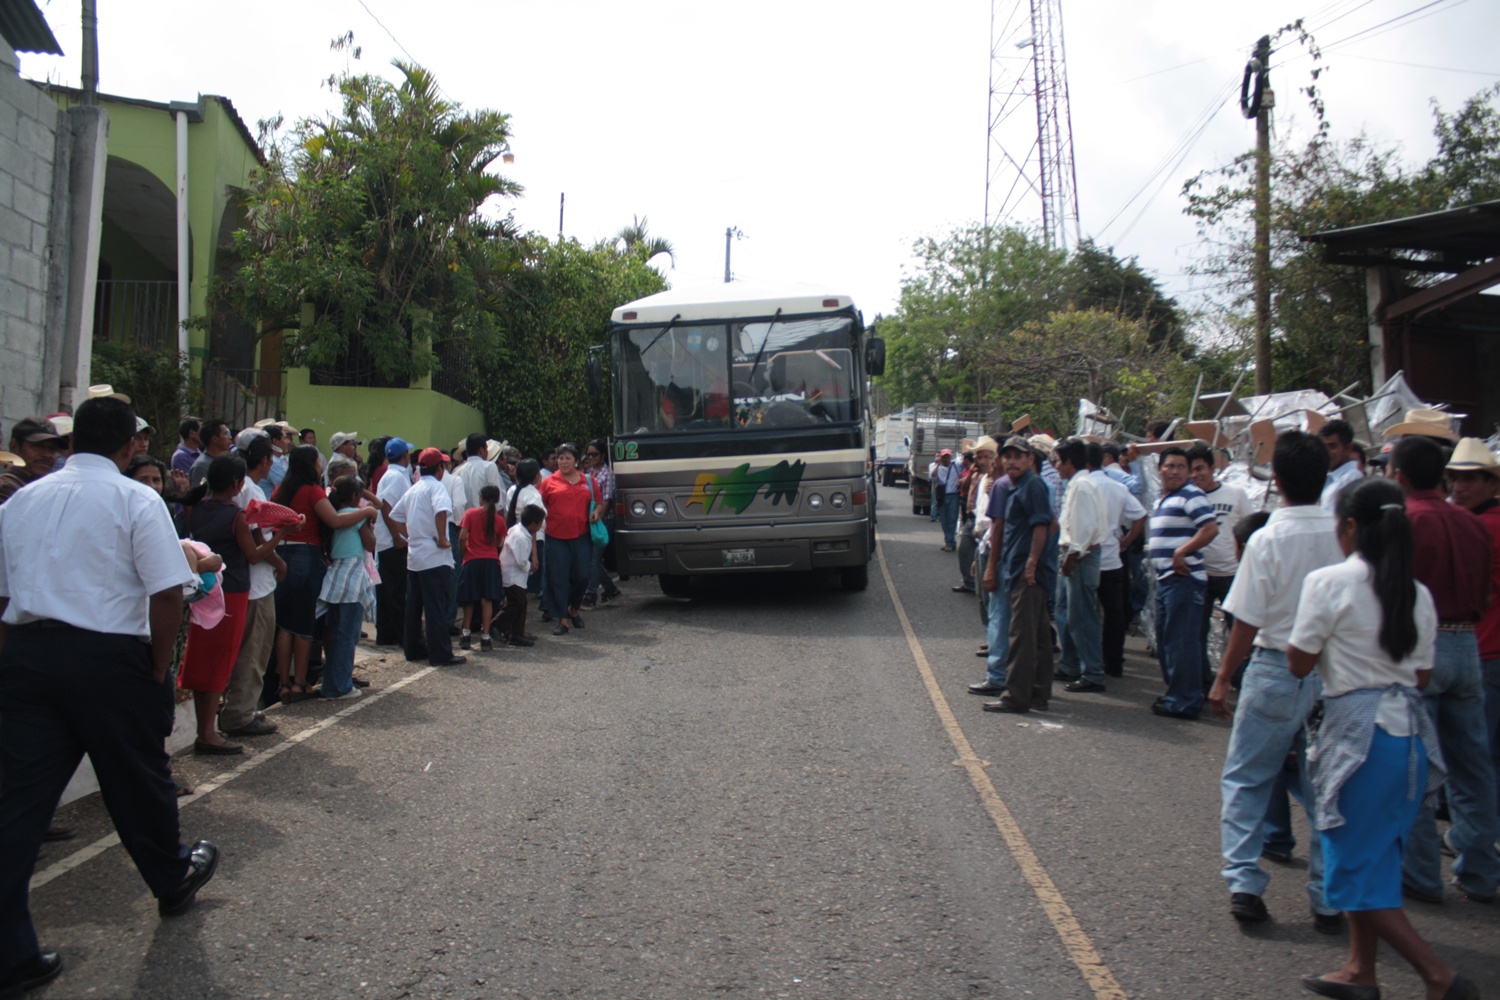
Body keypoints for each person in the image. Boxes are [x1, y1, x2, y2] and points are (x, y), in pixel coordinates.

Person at [0, 397, 219, 999]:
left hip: (28, 654)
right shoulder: (135, 499)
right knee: (138, 778)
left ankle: (12, 952)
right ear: (130, 446)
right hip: (108, 655)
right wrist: (155, 667)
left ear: (70, 443)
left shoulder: (22, 501)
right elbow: (168, 592)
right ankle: (171, 875)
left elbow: (3, 595)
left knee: (17, 803)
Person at [1288, 477, 1477, 1000]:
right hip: (1407, 737)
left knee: (1351, 866)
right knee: (1378, 860)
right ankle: (1359, 969)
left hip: (1359, 740)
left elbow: (1299, 661)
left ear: (1350, 526)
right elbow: (1421, 676)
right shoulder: (1417, 593)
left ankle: (1438, 976)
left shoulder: (1330, 582)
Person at [1210, 430, 1344, 929]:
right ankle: (1327, 896)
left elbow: (1245, 619)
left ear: (1278, 480)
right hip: (1332, 672)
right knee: (1326, 789)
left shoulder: (1267, 539)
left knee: (1247, 778)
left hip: (1273, 667)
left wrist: (1224, 677)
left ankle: (1245, 882)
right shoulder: (1343, 534)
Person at [1391, 435, 1500, 905]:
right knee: (1473, 766)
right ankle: (1479, 871)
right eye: (1457, 476)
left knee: (1417, 767)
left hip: (1426, 645)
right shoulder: (1473, 524)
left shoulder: (1407, 521)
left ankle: (1421, 873)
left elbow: (1394, 592)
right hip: (1468, 643)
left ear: (1398, 475)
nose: (1461, 485)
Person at [179, 455, 284, 754]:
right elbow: (253, 554)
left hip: (206, 589)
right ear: (238, 484)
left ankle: (205, 728)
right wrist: (282, 535)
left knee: (204, 658)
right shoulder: (236, 516)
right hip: (233, 591)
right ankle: (208, 733)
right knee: (221, 660)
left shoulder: (197, 508)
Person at [271, 445, 377, 702]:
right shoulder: (312, 490)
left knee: (284, 625)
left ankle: (283, 683)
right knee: (305, 624)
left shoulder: (280, 490)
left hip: (282, 552)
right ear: (311, 464)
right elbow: (335, 521)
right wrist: (366, 512)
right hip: (307, 556)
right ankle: (301, 683)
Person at [1445, 439, 1500, 833]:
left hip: (1482, 650)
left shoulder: (1480, 527)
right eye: (1454, 478)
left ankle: (1476, 836)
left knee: (1472, 758)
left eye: (1469, 479)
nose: (1459, 487)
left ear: (1491, 483)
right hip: (1481, 649)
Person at [981, 437, 1055, 714]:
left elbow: (1043, 525)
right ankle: (1037, 693)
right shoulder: (1016, 485)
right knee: (1039, 635)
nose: (1011, 461)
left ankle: (1015, 696)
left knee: (1021, 636)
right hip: (1018, 566)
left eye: (1018, 456)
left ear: (1030, 459)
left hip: (1027, 571)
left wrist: (1033, 561)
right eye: (1007, 456)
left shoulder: (1032, 485)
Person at [220, 436, 288, 738]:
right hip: (256, 582)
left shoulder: (239, 486)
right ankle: (240, 713)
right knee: (253, 650)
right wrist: (279, 562)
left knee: (247, 649)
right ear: (264, 460)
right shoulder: (250, 490)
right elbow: (257, 540)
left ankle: (240, 707)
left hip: (240, 581)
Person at [1148, 447, 1218, 720]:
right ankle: (1176, 694)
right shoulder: (1164, 498)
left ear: (1188, 472)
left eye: (1181, 467)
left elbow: (1210, 528)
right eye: (1170, 466)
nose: (1175, 471)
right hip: (1166, 580)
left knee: (1182, 642)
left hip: (1184, 580)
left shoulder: (1191, 494)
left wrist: (1182, 551)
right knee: (1168, 640)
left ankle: (1185, 702)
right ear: (1160, 469)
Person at [390, 448, 465, 666]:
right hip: (434, 555)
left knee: (414, 606)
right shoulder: (436, 486)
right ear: (439, 468)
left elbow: (395, 515)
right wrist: (441, 537)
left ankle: (413, 648)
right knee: (436, 606)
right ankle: (440, 653)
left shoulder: (414, 489)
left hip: (415, 555)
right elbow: (441, 511)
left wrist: (410, 535)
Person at [1188, 445, 1253, 693]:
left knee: (1240, 631)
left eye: (1200, 469)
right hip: (1200, 575)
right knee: (1198, 634)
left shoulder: (1235, 494)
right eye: (1192, 470)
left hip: (1232, 575)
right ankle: (1204, 684)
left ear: (1212, 468)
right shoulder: (1189, 499)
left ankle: (1240, 679)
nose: (1196, 475)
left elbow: (1251, 529)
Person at [1053, 438, 1111, 694]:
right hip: (1073, 555)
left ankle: (1093, 672)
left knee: (1082, 617)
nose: (1056, 466)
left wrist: (1072, 556)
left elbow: (1085, 529)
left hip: (1080, 557)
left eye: (1058, 461)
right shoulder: (1077, 484)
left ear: (1069, 462)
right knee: (1065, 612)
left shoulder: (1083, 486)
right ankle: (1071, 664)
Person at [1087, 443, 1147, 678]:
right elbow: (1140, 515)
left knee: (1086, 611)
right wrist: (1127, 540)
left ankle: (1090, 660)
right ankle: (1113, 661)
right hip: (1113, 557)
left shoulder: (1082, 485)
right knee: (1114, 612)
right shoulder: (1117, 486)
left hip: (1087, 557)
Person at [316, 475, 377, 699]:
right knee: (348, 635)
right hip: (352, 577)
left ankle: (331, 683)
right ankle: (340, 686)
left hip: (335, 576)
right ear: (354, 496)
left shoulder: (333, 514)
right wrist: (368, 519)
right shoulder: (356, 515)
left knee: (335, 634)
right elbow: (370, 544)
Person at [538, 443, 599, 636]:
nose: (563, 462)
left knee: (582, 576)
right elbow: (540, 506)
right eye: (560, 458)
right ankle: (563, 619)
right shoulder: (548, 482)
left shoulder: (588, 481)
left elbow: (598, 503)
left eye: (568, 458)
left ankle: (574, 608)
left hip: (582, 536)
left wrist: (597, 513)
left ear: (576, 461)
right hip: (556, 537)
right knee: (559, 578)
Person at [374, 439, 414, 647]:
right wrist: (397, 535)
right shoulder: (396, 477)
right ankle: (398, 634)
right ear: (405, 455)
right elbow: (386, 506)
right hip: (391, 541)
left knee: (390, 590)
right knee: (395, 591)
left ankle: (387, 634)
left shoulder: (395, 475)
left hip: (389, 539)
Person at [457, 484, 505, 651]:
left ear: (481, 498)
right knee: (487, 600)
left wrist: (464, 552)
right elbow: (500, 542)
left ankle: (466, 634)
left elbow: (462, 537)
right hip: (491, 561)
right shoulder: (500, 520)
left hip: (472, 559)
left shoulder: (470, 514)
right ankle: (485, 636)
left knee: (469, 599)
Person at [497, 504, 544, 647]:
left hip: (515, 575)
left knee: (522, 603)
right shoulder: (521, 538)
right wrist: (532, 567)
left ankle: (516, 633)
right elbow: (522, 561)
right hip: (513, 576)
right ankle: (497, 625)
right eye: (540, 523)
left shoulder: (517, 529)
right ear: (533, 524)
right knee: (516, 603)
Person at [582, 439, 621, 607]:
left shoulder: (607, 474)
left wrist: (599, 518)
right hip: (591, 519)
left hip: (603, 521)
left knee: (593, 559)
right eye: (589, 454)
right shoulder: (589, 472)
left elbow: (607, 501)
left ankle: (590, 595)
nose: (591, 457)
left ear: (603, 455)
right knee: (593, 559)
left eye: (595, 454)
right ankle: (610, 589)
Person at [0, 419, 67, 506]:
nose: (47, 455)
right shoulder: (6, 488)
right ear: (14, 447)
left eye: (52, 449)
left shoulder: (49, 487)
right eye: (38, 446)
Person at [507, 459, 546, 599]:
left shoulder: (512, 490)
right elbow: (533, 526)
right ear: (536, 476)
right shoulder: (533, 495)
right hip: (532, 541)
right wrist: (534, 554)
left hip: (514, 536)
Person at [1320, 418, 1364, 514]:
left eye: (1332, 446)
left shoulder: (1352, 478)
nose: (1326, 452)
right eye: (1323, 447)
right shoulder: (1328, 478)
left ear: (1348, 448)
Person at [187, 419, 231, 488]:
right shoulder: (202, 466)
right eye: (225, 434)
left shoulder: (220, 461)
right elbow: (200, 492)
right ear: (214, 439)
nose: (230, 437)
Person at [931, 449, 961, 550]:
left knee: (952, 519)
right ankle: (949, 541)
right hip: (942, 496)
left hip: (954, 496)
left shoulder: (956, 465)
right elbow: (933, 476)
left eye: (948, 456)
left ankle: (950, 543)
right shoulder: (937, 467)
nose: (946, 459)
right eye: (944, 457)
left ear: (951, 457)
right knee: (944, 520)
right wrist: (938, 464)